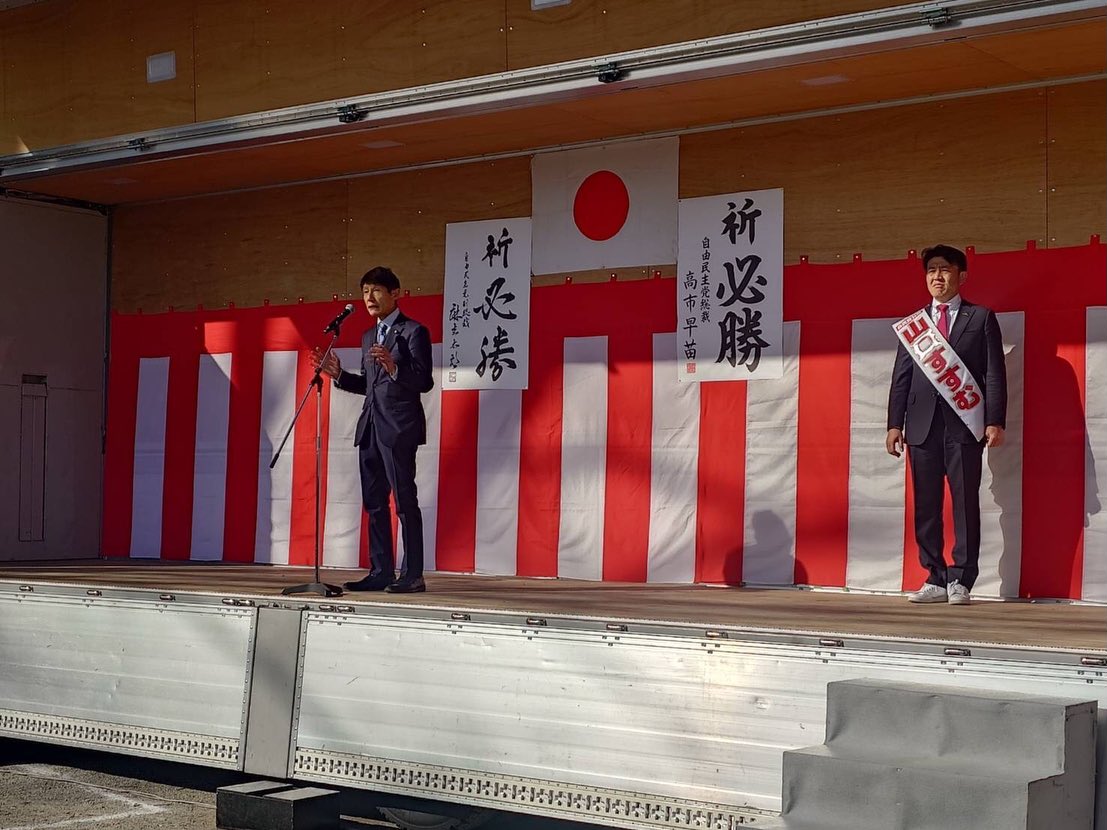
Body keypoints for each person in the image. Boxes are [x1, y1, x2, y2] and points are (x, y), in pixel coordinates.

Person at [886, 245, 1007, 605]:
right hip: (921, 426)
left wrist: (994, 420)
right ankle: (935, 577)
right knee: (926, 505)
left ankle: (962, 580)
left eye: (944, 269)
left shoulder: (980, 318)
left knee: (965, 503)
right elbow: (901, 378)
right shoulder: (914, 326)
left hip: (964, 424)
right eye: (931, 270)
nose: (937, 277)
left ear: (961, 276)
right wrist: (894, 424)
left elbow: (994, 373)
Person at [313, 266, 434, 593]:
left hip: (399, 428)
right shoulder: (368, 336)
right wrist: (339, 376)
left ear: (395, 293)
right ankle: (381, 571)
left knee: (404, 501)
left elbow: (424, 381)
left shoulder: (413, 332)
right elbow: (370, 386)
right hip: (370, 426)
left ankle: (413, 574)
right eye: (365, 291)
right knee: (374, 502)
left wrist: (394, 368)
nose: (370, 297)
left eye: (377, 290)